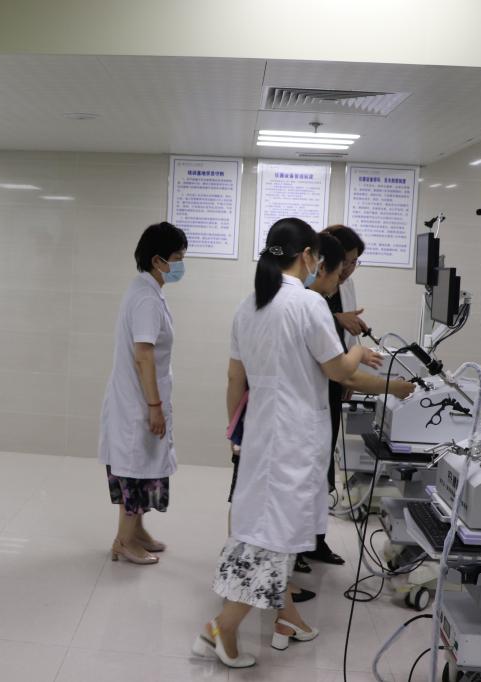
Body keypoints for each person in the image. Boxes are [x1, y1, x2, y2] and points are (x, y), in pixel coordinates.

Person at [193, 218, 382, 668]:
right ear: (308, 256)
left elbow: (234, 379)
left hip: (262, 435)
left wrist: (235, 436)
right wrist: (360, 353)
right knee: (273, 539)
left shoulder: (248, 306)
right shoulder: (308, 304)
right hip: (293, 441)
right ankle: (223, 628)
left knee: (261, 532)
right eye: (319, 257)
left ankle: (286, 617)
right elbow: (339, 371)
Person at [99, 221, 187, 565]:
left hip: (135, 398)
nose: (181, 265)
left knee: (142, 465)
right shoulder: (146, 299)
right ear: (157, 260)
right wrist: (154, 405)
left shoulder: (145, 291)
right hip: (137, 402)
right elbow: (144, 354)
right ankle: (124, 540)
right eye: (177, 258)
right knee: (134, 470)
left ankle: (136, 532)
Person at [297, 224, 369, 569]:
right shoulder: (306, 287)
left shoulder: (344, 285)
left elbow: (347, 336)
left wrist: (350, 373)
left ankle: (316, 539)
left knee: (324, 462)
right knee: (307, 467)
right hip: (313, 379)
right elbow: (309, 320)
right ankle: (295, 546)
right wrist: (339, 320)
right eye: (347, 262)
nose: (349, 269)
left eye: (355, 263)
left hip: (334, 379)